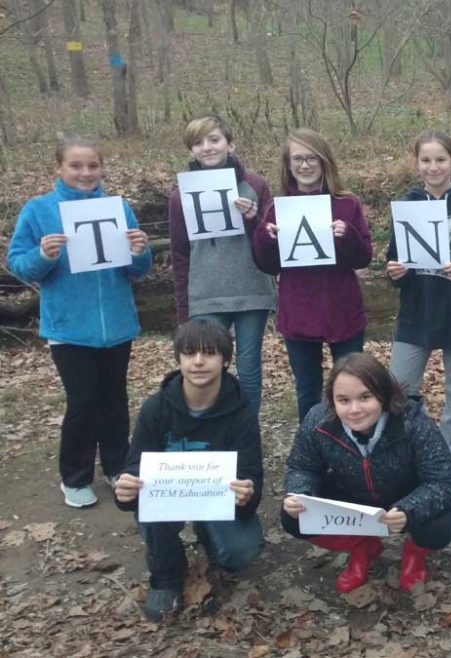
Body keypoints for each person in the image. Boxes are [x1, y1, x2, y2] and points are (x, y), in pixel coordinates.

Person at [6, 136, 152, 509]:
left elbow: (137, 269)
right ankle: (75, 476)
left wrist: (140, 251)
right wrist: (42, 255)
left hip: (117, 324)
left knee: (115, 399)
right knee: (83, 401)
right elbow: (19, 263)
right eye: (76, 166)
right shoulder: (39, 210)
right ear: (58, 168)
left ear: (101, 168)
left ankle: (118, 467)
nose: (85, 173)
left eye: (92, 166)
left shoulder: (117, 207)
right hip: (69, 327)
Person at [113, 320, 265, 621]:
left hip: (218, 500)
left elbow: (252, 474)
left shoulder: (242, 410)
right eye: (189, 353)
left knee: (241, 551)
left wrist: (247, 492)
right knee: (148, 503)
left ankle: (210, 539)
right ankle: (167, 576)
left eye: (208, 353)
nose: (198, 362)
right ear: (178, 359)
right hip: (168, 499)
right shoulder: (155, 408)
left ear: (225, 360)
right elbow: (136, 466)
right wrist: (125, 488)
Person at [281, 353, 451, 594]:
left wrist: (409, 508)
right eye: (343, 400)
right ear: (332, 401)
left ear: (383, 394)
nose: (354, 409)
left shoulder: (412, 422)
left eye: (365, 397)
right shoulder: (317, 420)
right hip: (349, 497)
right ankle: (362, 547)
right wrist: (300, 493)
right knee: (293, 518)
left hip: (403, 498)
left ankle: (414, 555)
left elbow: (446, 479)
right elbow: (302, 467)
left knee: (442, 524)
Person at [251, 128, 372, 423]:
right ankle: (313, 446)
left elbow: (364, 257)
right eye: (297, 159)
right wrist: (267, 239)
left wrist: (348, 236)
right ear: (288, 164)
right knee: (307, 390)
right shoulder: (277, 208)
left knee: (351, 386)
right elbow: (266, 264)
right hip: (298, 313)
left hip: (342, 310)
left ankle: (353, 442)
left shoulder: (347, 204)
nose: (304, 165)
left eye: (311, 158)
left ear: (323, 161)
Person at [385, 130, 451, 458]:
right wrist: (396, 273)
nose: (434, 167)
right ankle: (406, 449)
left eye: (440, 160)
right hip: (416, 312)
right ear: (417, 163)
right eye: (426, 160)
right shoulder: (406, 207)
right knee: (398, 386)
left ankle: (449, 456)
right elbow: (394, 260)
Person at [168, 114, 276, 419]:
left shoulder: (255, 185)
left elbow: (272, 241)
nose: (207, 147)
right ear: (191, 150)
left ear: (230, 144)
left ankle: (246, 432)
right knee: (207, 365)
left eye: (214, 140)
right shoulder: (179, 196)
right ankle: (211, 429)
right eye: (198, 143)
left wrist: (254, 218)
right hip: (206, 292)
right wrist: (183, 307)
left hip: (251, 289)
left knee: (249, 366)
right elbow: (180, 254)